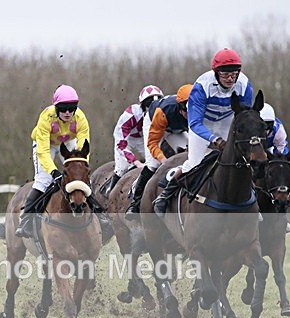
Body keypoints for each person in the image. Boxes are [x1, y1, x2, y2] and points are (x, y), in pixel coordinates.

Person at [153, 48, 254, 216]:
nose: (230, 78)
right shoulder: (202, 86)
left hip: (227, 121)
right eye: (225, 74)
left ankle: (253, 201)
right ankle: (165, 195)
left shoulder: (244, 85)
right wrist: (215, 139)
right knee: (194, 163)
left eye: (234, 73)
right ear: (216, 73)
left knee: (243, 161)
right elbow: (194, 123)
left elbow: (245, 115)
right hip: (202, 125)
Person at [15, 85, 110, 239]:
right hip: (45, 145)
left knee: (81, 178)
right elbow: (43, 152)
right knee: (43, 180)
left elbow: (83, 147)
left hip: (67, 142)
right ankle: (26, 220)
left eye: (71, 108)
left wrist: (79, 168)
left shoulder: (80, 118)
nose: (67, 112)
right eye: (64, 109)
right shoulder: (46, 118)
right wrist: (54, 172)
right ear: (56, 108)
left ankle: (100, 215)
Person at [125, 84, 192, 219]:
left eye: (194, 109)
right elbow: (152, 143)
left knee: (190, 156)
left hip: (176, 129)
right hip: (155, 123)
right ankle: (135, 203)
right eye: (187, 110)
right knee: (153, 164)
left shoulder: (200, 110)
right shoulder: (163, 112)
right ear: (179, 108)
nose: (191, 114)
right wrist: (164, 160)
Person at [101, 85, 164, 198]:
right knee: (122, 167)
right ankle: (109, 194)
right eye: (150, 107)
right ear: (143, 106)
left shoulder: (163, 114)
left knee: (155, 163)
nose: (154, 112)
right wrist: (136, 162)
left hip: (144, 138)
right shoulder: (130, 115)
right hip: (126, 140)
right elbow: (121, 144)